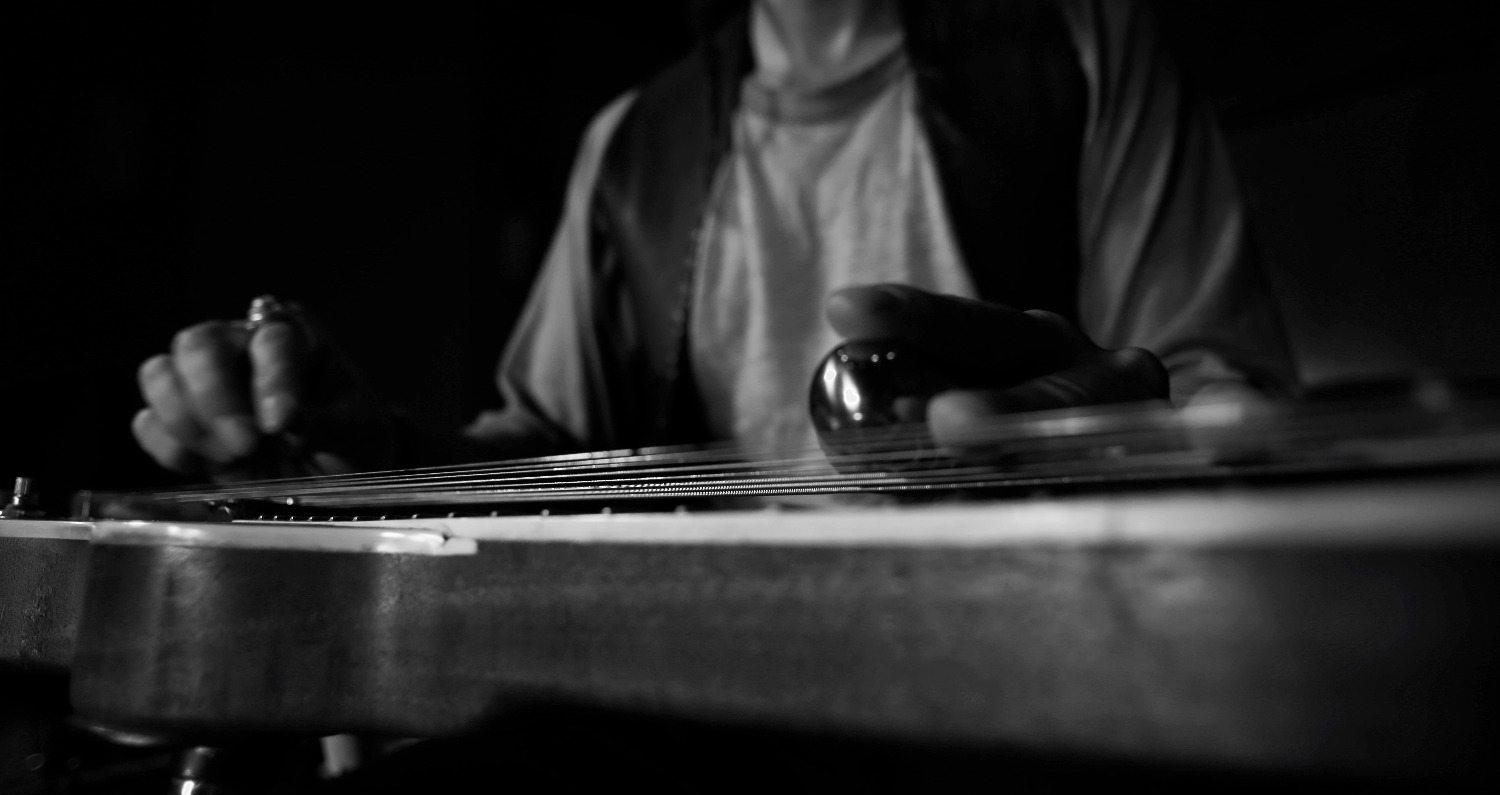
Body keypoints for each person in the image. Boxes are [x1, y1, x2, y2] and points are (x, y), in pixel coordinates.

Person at [134, 0, 1294, 482]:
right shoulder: (630, 144)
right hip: (691, 713)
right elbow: (553, 450)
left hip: (1033, 673)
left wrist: (1103, 421)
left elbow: (1220, 394)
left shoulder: (1084, 44)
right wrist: (361, 442)